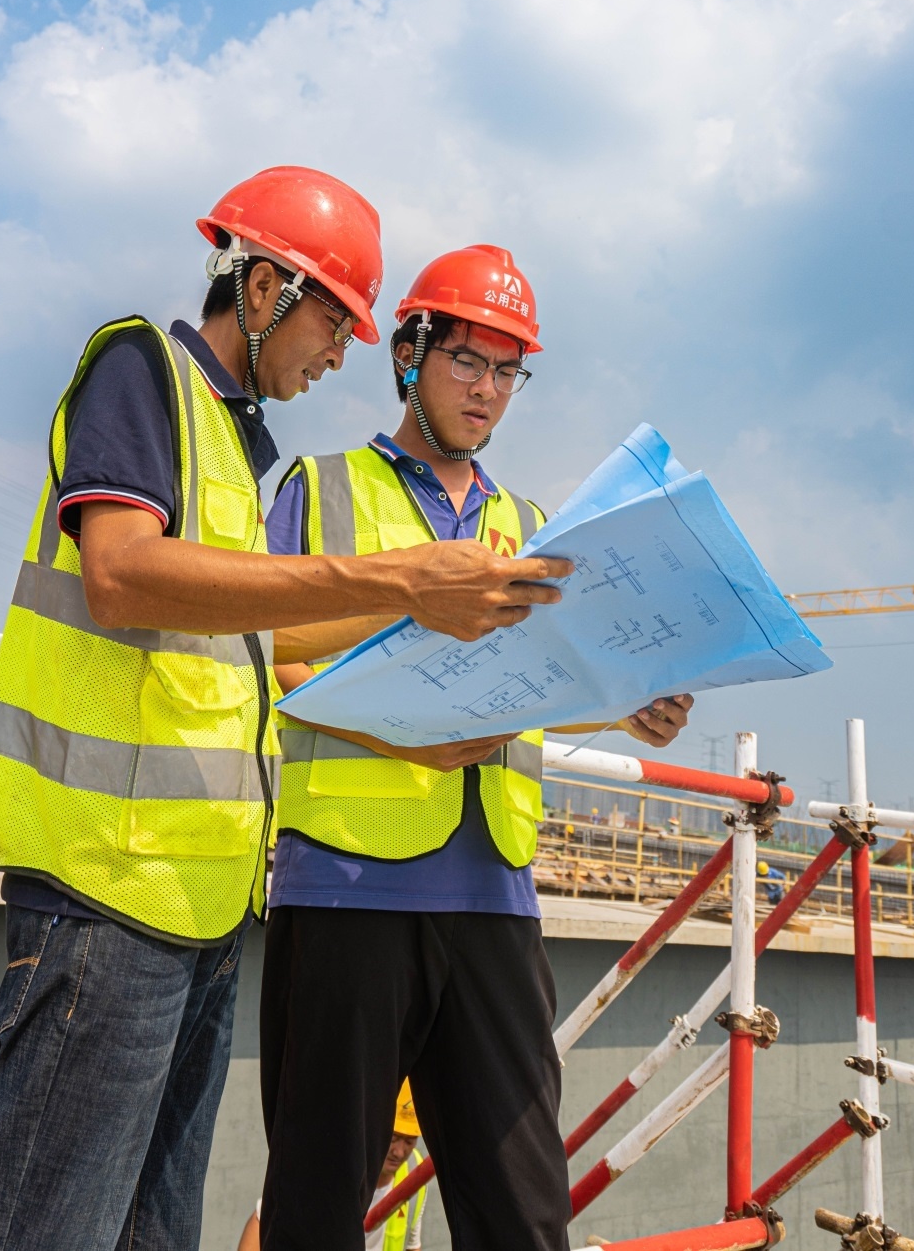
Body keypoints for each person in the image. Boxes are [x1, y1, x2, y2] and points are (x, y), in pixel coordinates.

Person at [0, 175, 575, 1251]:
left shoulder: (239, 449)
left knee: (146, 1227)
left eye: (511, 371)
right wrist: (396, 585)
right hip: (109, 883)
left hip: (205, 899)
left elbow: (254, 651)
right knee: (40, 1224)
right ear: (268, 285)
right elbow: (125, 578)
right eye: (334, 323)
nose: (335, 357)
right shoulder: (146, 369)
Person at [256, 245, 692, 1251]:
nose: (488, 390)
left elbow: (543, 682)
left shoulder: (531, 525)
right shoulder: (320, 491)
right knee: (317, 1211)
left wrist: (625, 703)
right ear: (407, 352)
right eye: (466, 361)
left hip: (494, 898)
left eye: (507, 371)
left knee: (525, 1218)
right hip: (345, 890)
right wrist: (413, 716)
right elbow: (268, 656)